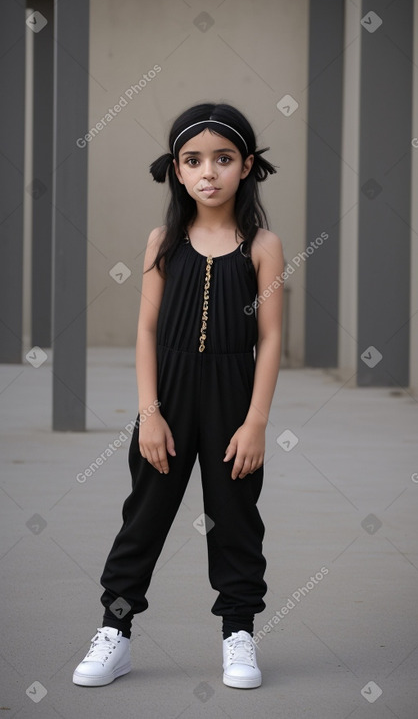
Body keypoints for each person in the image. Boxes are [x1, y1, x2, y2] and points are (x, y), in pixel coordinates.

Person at [72, 102, 284, 690]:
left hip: (233, 401)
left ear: (247, 167)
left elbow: (269, 341)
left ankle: (238, 635)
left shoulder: (263, 246)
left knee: (235, 519)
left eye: (223, 158)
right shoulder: (162, 241)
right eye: (194, 160)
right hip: (166, 400)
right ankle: (115, 635)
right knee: (144, 516)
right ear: (176, 170)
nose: (208, 172)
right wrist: (149, 414)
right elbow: (145, 331)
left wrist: (256, 422)